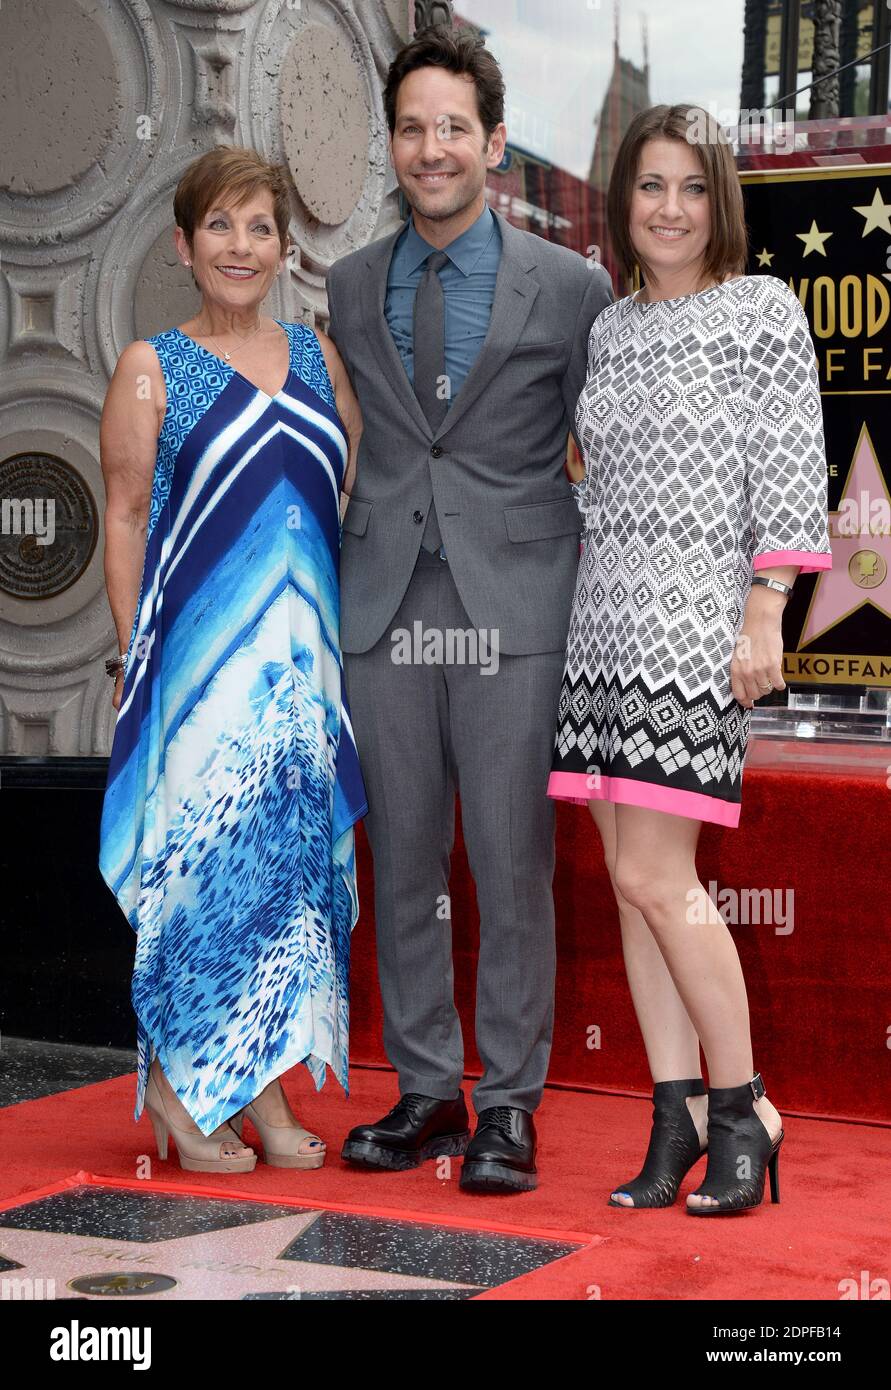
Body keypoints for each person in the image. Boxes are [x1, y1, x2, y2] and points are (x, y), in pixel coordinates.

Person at [326, 26, 613, 1194]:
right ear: (390, 145)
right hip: (384, 600)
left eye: (454, 127)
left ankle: (509, 1104)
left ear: (493, 142)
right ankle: (428, 1090)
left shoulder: (575, 285)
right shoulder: (346, 286)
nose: (432, 149)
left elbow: (619, 449)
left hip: (517, 605)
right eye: (412, 127)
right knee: (401, 855)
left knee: (506, 859)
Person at [547, 104, 832, 1213]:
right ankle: (673, 1120)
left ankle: (745, 1109)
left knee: (658, 879)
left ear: (721, 200)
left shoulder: (761, 313)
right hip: (602, 625)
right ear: (623, 204)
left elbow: (791, 466)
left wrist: (767, 610)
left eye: (691, 188)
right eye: (650, 186)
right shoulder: (611, 330)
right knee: (631, 889)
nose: (669, 209)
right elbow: (597, 479)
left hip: (695, 631)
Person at [98, 146, 367, 1174]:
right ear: (184, 243)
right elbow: (124, 517)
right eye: (221, 226)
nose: (242, 246)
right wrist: (142, 655)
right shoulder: (151, 366)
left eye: (260, 228)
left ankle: (256, 1082)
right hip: (196, 673)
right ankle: (177, 1088)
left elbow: (343, 499)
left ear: (284, 249)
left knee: (286, 879)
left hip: (303, 675)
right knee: (203, 872)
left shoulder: (316, 357)